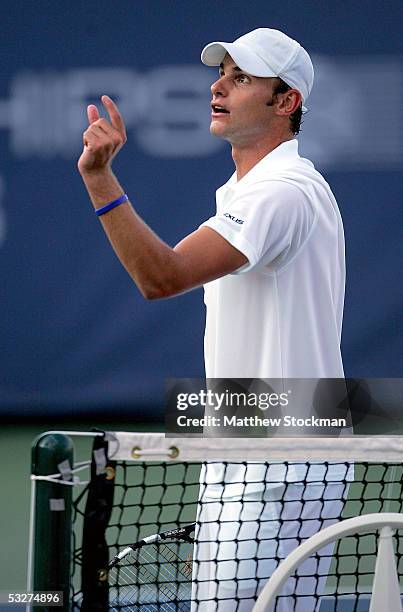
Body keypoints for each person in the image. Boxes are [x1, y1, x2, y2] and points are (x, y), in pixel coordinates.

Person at [78, 27, 349, 611]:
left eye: (241, 77)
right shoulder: (250, 191)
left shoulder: (282, 192)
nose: (217, 86)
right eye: (221, 73)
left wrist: (100, 177)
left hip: (282, 457)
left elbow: (163, 276)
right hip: (256, 442)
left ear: (286, 102)